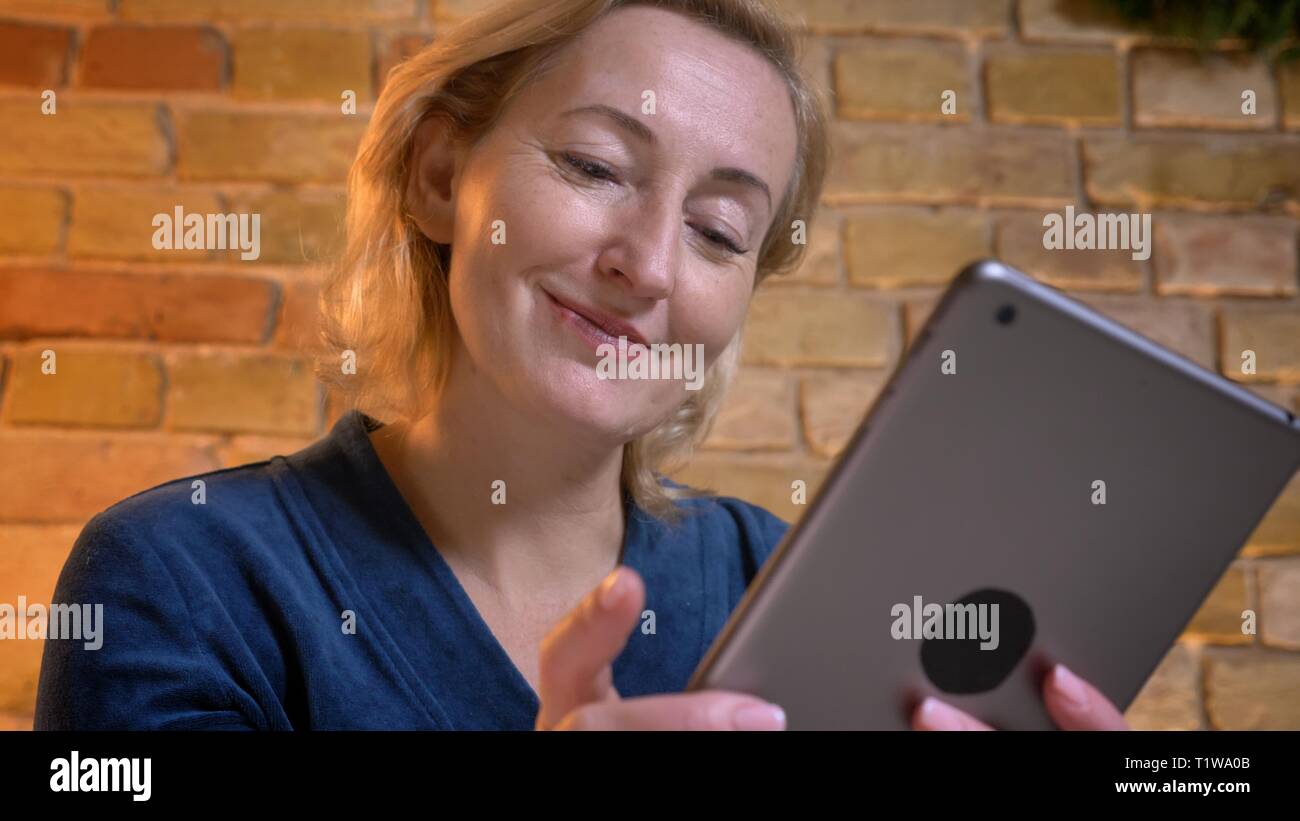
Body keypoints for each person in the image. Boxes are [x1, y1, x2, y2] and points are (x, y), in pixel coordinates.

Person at [34, 0, 1128, 731]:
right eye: (595, 165)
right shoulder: (183, 575)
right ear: (436, 177)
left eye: (716, 230)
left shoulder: (791, 591)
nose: (645, 264)